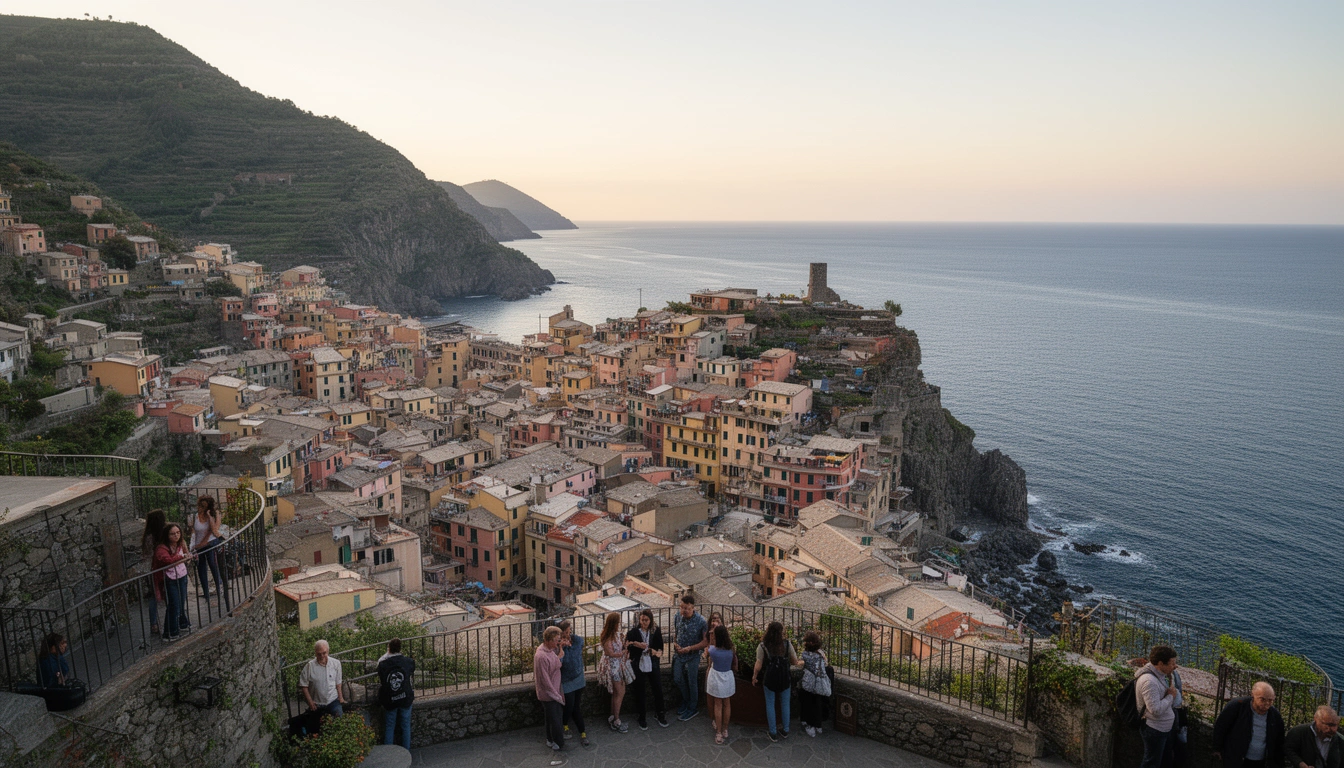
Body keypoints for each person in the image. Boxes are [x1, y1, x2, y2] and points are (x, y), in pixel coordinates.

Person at [1212, 681, 1284, 768]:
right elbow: (1221, 727)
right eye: (1262, 699)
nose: (1266, 704)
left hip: (1260, 762)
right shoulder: (1237, 706)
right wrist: (1217, 748)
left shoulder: (1275, 715)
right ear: (1253, 695)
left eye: (1270, 700)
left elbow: (1279, 740)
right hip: (1236, 758)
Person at [752, 620, 802, 741]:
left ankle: (773, 732)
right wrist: (804, 662)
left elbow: (758, 664)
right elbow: (794, 661)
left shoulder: (763, 646)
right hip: (784, 678)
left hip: (770, 678)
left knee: (770, 704)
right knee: (785, 704)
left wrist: (754, 676)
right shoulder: (787, 644)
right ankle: (785, 730)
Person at [1135, 645, 1181, 768]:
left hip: (1162, 728)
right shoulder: (1149, 681)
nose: (1175, 666)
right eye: (1172, 663)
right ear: (1160, 663)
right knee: (1151, 763)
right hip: (1155, 729)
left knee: (1162, 760)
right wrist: (1170, 696)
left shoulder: (1161, 675)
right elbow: (1155, 710)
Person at [626, 609, 667, 730]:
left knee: (657, 688)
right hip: (639, 663)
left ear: (650, 620)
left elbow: (660, 647)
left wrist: (655, 652)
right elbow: (627, 645)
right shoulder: (634, 632)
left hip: (652, 662)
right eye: (642, 620)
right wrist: (636, 644)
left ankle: (660, 713)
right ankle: (642, 716)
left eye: (646, 620)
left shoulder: (655, 631)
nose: (644, 622)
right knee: (640, 690)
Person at [671, 594, 709, 722]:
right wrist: (675, 643)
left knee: (692, 681)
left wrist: (690, 648)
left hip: (693, 655)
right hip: (679, 654)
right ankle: (686, 701)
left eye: (687, 608)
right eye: (682, 607)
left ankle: (692, 707)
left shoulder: (701, 621)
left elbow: (705, 642)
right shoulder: (677, 616)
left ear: (693, 608)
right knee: (677, 678)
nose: (684, 610)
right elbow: (676, 633)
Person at [153, 523, 193, 641]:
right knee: (173, 605)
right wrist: (182, 557)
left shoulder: (180, 543)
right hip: (170, 579)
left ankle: (182, 623)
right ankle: (170, 632)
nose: (176, 535)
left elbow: (187, 556)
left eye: (178, 533)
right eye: (172, 534)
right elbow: (168, 561)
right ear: (167, 535)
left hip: (182, 575)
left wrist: (187, 558)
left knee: (180, 602)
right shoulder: (161, 549)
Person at [534, 626, 566, 761]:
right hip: (549, 693)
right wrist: (556, 695)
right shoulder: (541, 656)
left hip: (553, 691)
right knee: (556, 718)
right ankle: (558, 742)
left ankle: (550, 739)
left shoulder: (549, 651)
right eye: (556, 640)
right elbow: (545, 679)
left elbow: (554, 663)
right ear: (549, 640)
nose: (557, 643)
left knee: (550, 717)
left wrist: (560, 650)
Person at [191, 496, 228, 611]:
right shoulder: (195, 516)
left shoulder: (213, 514)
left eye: (204, 506)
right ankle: (206, 594)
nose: (201, 508)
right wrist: (193, 546)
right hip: (199, 546)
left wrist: (210, 516)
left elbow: (214, 530)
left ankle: (220, 589)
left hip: (210, 543)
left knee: (213, 565)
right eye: (200, 505)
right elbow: (193, 532)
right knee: (201, 569)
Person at [378, 637, 415, 750]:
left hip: (390, 699)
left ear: (389, 648)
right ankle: (406, 752)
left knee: (390, 726)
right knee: (406, 726)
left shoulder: (383, 664)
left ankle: (389, 754)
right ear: (400, 648)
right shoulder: (408, 661)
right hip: (405, 697)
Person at [558, 620, 591, 746]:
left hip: (578, 678)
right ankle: (565, 724)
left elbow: (581, 643)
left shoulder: (575, 640)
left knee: (576, 706)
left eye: (569, 631)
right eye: (565, 633)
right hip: (566, 680)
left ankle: (582, 732)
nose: (568, 634)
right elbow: (559, 662)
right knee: (569, 706)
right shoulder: (558, 646)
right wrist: (561, 647)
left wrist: (570, 644)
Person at [599, 611, 631, 733]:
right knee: (620, 693)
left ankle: (613, 716)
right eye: (618, 622)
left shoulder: (613, 635)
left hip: (617, 667)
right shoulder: (608, 638)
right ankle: (616, 720)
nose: (619, 624)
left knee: (616, 693)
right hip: (614, 668)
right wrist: (623, 652)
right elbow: (610, 653)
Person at [704, 625, 737, 744]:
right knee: (727, 703)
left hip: (716, 676)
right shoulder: (731, 649)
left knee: (718, 704)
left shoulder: (712, 650)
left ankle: (718, 732)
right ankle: (725, 729)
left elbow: (708, 655)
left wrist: (711, 639)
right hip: (728, 676)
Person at [299, 639, 346, 720]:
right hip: (317, 704)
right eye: (319, 654)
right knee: (316, 725)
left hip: (333, 700)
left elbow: (338, 682)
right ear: (315, 653)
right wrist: (310, 702)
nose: (322, 656)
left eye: (324, 653)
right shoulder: (309, 666)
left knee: (339, 720)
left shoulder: (336, 663)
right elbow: (304, 685)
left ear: (328, 651)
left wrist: (341, 698)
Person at [799, 630, 832, 738]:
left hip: (808, 683)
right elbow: (826, 664)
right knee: (817, 704)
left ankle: (810, 726)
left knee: (808, 704)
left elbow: (799, 663)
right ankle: (818, 725)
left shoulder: (805, 655)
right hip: (820, 683)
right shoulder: (821, 653)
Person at [140, 509, 166, 637]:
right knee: (163, 594)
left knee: (153, 597)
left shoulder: (147, 537)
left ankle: (154, 624)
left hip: (149, 570)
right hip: (158, 569)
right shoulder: (158, 537)